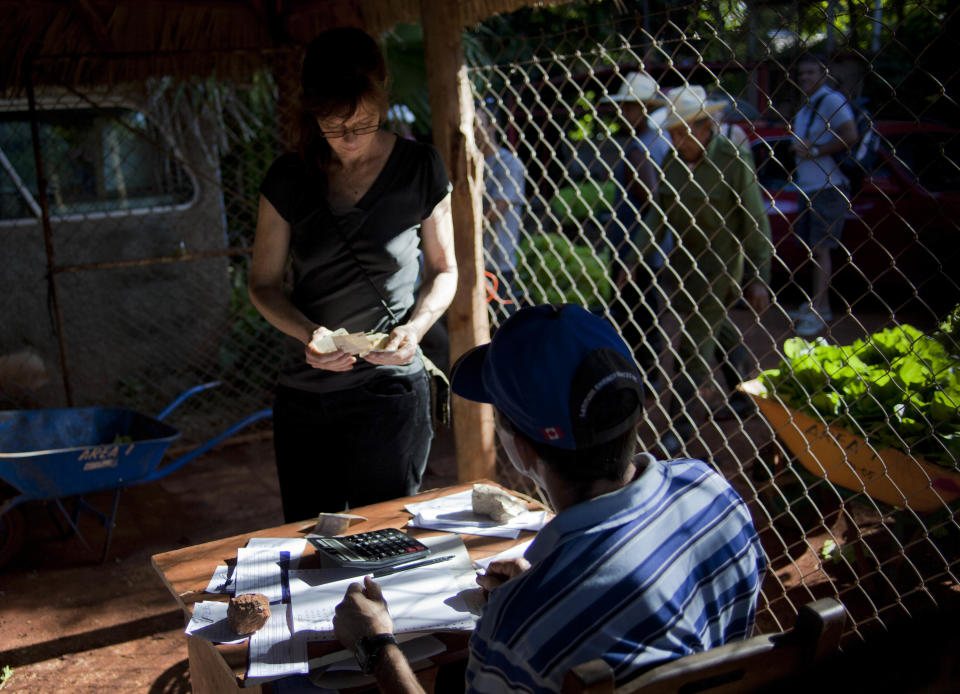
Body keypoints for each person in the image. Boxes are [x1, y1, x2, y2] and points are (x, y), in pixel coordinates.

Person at [333, 304, 767, 693]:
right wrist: (545, 586)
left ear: (522, 450)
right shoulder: (713, 493)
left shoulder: (518, 626)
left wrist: (377, 649)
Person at [248, 27, 457, 522]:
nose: (348, 140)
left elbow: (446, 270)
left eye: (362, 122)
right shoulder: (288, 177)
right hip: (305, 397)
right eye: (331, 124)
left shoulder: (420, 167)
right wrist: (311, 334)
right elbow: (262, 284)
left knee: (385, 536)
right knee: (314, 542)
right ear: (310, 109)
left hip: (390, 392)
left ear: (383, 93)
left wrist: (416, 329)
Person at [653, 85, 772, 457]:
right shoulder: (672, 163)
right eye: (672, 132)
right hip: (686, 268)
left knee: (692, 346)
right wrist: (632, 257)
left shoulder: (734, 159)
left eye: (683, 131)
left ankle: (679, 429)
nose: (676, 139)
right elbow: (656, 216)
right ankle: (746, 393)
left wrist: (758, 277)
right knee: (716, 329)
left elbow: (754, 221)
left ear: (706, 128)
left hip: (722, 267)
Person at [603, 71, 672, 387]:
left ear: (644, 108)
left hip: (635, 246)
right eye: (624, 106)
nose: (624, 113)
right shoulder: (659, 139)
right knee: (646, 311)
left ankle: (645, 376)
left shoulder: (637, 149)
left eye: (630, 107)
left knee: (636, 316)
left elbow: (650, 200)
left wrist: (631, 254)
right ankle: (648, 373)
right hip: (648, 246)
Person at [789, 53, 858, 337]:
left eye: (811, 72)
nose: (805, 77)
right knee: (813, 249)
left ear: (823, 74)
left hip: (829, 187)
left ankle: (818, 311)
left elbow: (850, 134)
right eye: (801, 73)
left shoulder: (830, 100)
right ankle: (819, 304)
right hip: (809, 186)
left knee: (822, 248)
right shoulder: (809, 104)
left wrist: (815, 150)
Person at [475, 106, 526, 315]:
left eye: (477, 125)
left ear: (492, 126)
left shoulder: (509, 164)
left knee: (498, 326)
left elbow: (494, 212)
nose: (473, 131)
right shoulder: (467, 164)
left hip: (498, 264)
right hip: (470, 262)